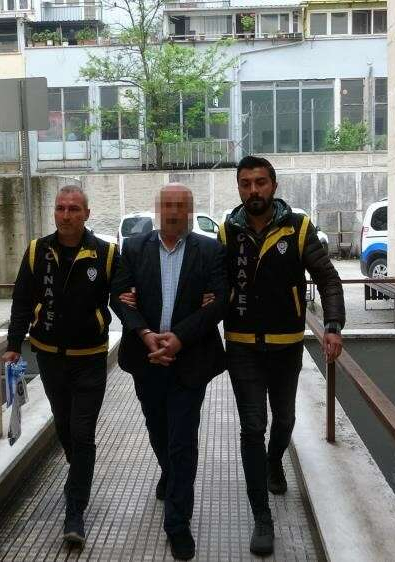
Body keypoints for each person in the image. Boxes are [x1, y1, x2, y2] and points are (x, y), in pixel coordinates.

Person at [220, 155, 345, 555]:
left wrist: (332, 325)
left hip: (285, 344)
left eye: (260, 182)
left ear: (273, 186)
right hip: (241, 344)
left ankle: (275, 460)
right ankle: (262, 517)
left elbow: (328, 278)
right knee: (252, 426)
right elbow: (210, 282)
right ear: (239, 188)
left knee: (285, 419)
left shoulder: (298, 227)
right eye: (245, 183)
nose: (253, 190)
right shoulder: (228, 231)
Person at [110, 184, 227, 561]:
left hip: (189, 361)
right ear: (158, 209)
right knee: (157, 428)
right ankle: (170, 472)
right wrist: (146, 335)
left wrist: (178, 339)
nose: (174, 212)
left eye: (181, 206)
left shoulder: (210, 250)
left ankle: (177, 524)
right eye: (168, 205)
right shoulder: (133, 248)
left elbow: (218, 303)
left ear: (190, 211)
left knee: (182, 441)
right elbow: (119, 298)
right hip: (146, 359)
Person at [2, 185, 117, 546]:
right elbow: (22, 300)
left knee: (82, 433)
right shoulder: (37, 251)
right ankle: (77, 472)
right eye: (60, 208)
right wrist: (13, 345)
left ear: (86, 213)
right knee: (65, 428)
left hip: (90, 358)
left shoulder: (106, 254)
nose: (66, 215)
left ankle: (75, 511)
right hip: (49, 357)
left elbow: (126, 296)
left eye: (73, 209)